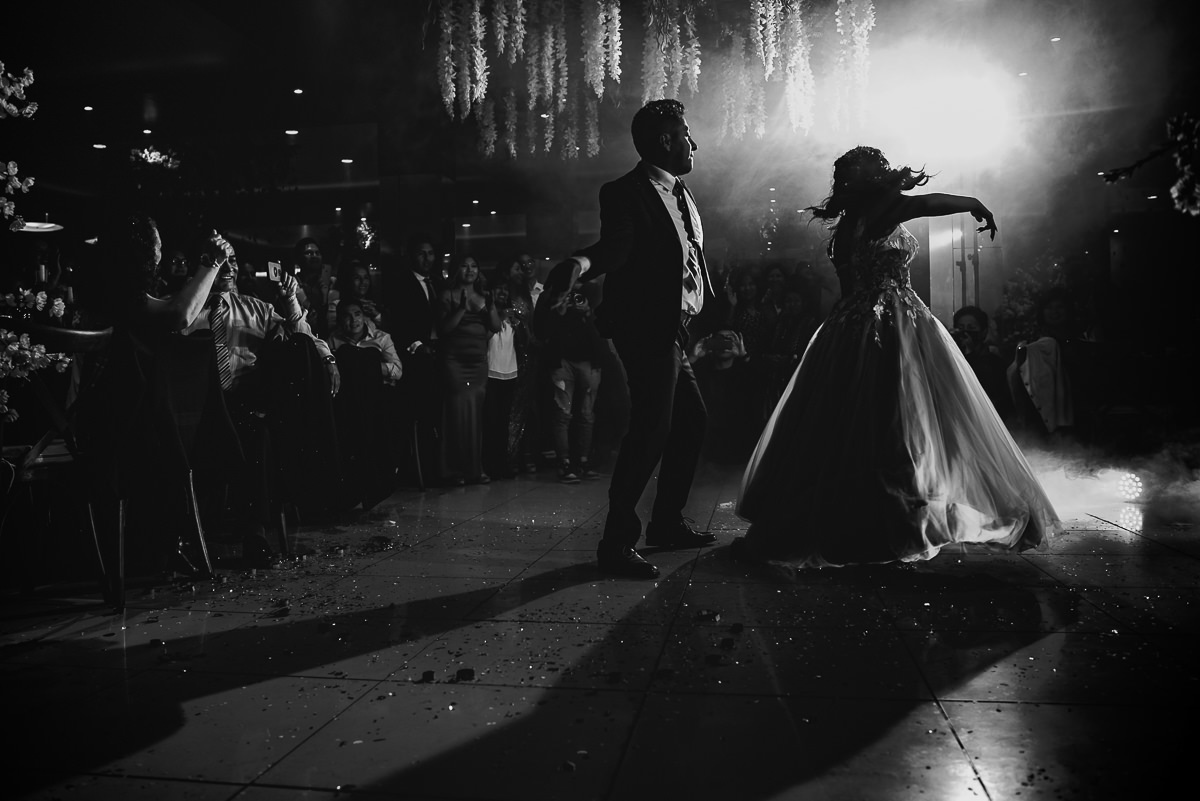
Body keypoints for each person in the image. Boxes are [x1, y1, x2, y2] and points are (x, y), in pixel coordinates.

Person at [733, 146, 1059, 567]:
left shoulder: (847, 226)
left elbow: (849, 288)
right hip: (891, 318)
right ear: (874, 177)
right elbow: (926, 203)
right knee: (902, 416)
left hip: (850, 322)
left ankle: (859, 513)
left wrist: (847, 327)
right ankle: (889, 516)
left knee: (849, 420)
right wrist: (974, 203)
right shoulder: (884, 209)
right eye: (880, 168)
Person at [546, 98, 718, 579]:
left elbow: (686, 259)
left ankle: (666, 522)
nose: (694, 143)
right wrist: (580, 263)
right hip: (643, 326)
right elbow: (617, 248)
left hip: (674, 328)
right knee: (651, 428)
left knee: (690, 421)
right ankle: (616, 543)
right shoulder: (625, 192)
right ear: (665, 140)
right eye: (686, 134)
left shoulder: (681, 192)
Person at [436, 254, 501, 485]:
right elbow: (444, 329)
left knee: (475, 415)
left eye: (474, 266)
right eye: (464, 266)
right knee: (456, 414)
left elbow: (496, 326)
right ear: (457, 270)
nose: (470, 270)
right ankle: (455, 470)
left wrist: (491, 308)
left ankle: (475, 468)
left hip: (478, 363)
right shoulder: (447, 295)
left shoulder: (485, 296)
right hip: (455, 361)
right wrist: (462, 309)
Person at [533, 278, 606, 484]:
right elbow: (543, 331)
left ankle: (583, 460)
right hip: (562, 361)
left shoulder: (594, 293)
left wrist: (588, 312)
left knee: (586, 414)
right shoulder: (554, 296)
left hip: (590, 361)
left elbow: (603, 328)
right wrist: (559, 312)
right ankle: (564, 462)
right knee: (562, 413)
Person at [952, 305, 1014, 422]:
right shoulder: (951, 360)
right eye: (960, 328)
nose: (965, 333)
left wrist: (971, 355)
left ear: (983, 332)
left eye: (971, 328)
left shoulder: (996, 364)